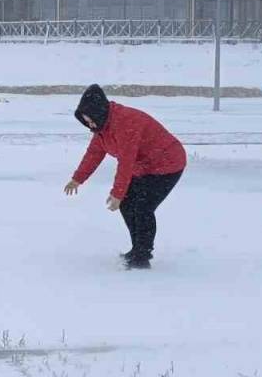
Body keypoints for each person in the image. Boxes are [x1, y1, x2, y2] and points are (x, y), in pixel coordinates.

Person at [64, 84, 186, 269]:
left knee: (143, 208)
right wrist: (77, 178)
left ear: (99, 113)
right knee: (128, 204)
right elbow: (94, 154)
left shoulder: (125, 122)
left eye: (91, 121)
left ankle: (142, 257)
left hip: (167, 164)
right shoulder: (103, 128)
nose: (90, 125)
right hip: (144, 167)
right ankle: (137, 249)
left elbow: (126, 161)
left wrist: (117, 193)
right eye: (87, 122)